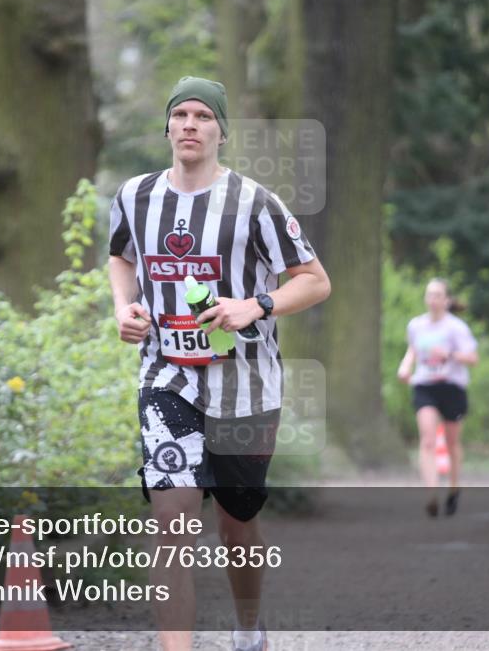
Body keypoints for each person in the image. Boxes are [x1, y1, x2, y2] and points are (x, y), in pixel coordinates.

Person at [107, 76, 331, 651]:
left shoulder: (256, 203)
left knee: (237, 521)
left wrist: (254, 305)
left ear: (221, 132)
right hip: (166, 376)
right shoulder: (135, 196)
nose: (189, 124)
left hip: (247, 386)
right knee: (172, 520)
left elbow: (314, 281)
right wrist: (123, 309)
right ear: (166, 127)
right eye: (179, 114)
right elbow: (120, 257)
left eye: (203, 116)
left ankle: (249, 629)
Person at [397, 278, 478, 518]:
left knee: (452, 444)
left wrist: (450, 354)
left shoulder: (456, 328)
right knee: (428, 441)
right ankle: (431, 494)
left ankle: (453, 488)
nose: (432, 299)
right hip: (425, 386)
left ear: (447, 300)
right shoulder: (416, 325)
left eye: (437, 295)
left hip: (452, 387)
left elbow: (473, 358)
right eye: (429, 294)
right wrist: (405, 366)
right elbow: (413, 349)